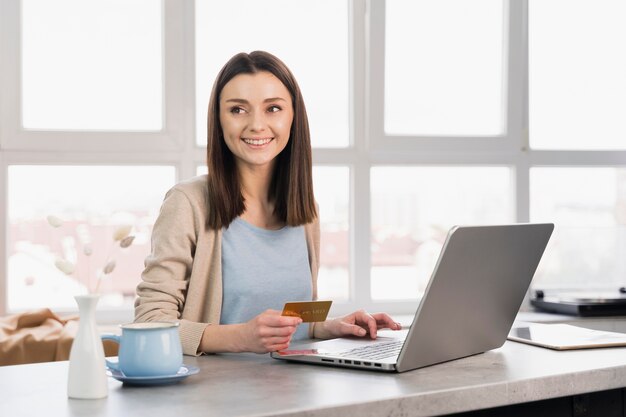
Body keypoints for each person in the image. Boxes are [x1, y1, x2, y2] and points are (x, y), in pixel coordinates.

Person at [135, 51, 401, 356]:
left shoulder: (305, 209)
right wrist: (240, 337)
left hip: (298, 392)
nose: (256, 125)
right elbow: (149, 323)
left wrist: (330, 326)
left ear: (293, 116)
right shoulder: (188, 203)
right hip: (214, 397)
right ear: (218, 119)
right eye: (238, 110)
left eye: (273, 108)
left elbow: (290, 321)